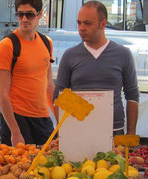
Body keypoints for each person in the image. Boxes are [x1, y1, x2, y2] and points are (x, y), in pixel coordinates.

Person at [55, 1, 139, 136]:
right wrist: (64, 132)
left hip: (114, 130)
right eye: (79, 23)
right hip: (79, 131)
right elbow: (58, 95)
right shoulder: (70, 55)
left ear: (103, 24)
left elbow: (132, 95)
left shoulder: (123, 54)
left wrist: (131, 133)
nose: (81, 28)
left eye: (87, 23)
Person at [0, 0, 54, 146]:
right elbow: (1, 94)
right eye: (20, 14)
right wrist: (15, 131)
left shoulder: (46, 42)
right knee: (17, 167)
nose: (24, 19)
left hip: (42, 118)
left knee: (45, 165)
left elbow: (49, 86)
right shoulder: (7, 45)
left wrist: (59, 121)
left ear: (39, 15)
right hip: (16, 117)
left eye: (29, 15)